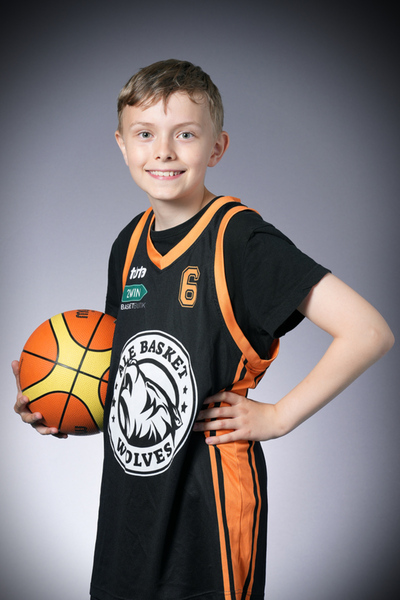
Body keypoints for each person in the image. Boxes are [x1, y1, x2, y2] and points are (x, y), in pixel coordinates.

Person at [13, 59, 394, 600]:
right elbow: (125, 376)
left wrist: (279, 417)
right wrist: (61, 402)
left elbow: (369, 331)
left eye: (185, 134)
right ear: (122, 144)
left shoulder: (241, 240)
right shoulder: (127, 244)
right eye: (145, 133)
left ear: (217, 148)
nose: (164, 151)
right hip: (129, 508)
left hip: (208, 507)